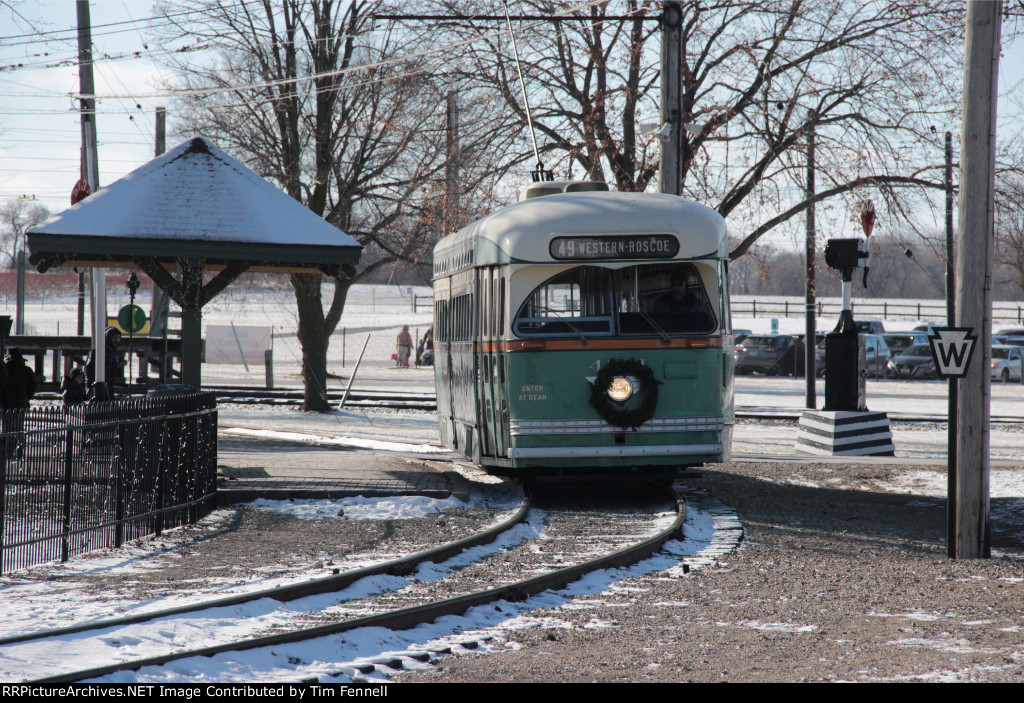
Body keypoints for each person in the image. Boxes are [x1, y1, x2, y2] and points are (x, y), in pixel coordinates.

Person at [85, 326, 123, 401]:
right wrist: (89, 387)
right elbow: (88, 370)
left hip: (110, 386)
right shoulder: (96, 352)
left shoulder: (114, 353)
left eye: (118, 338)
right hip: (97, 386)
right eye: (114, 337)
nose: (117, 340)